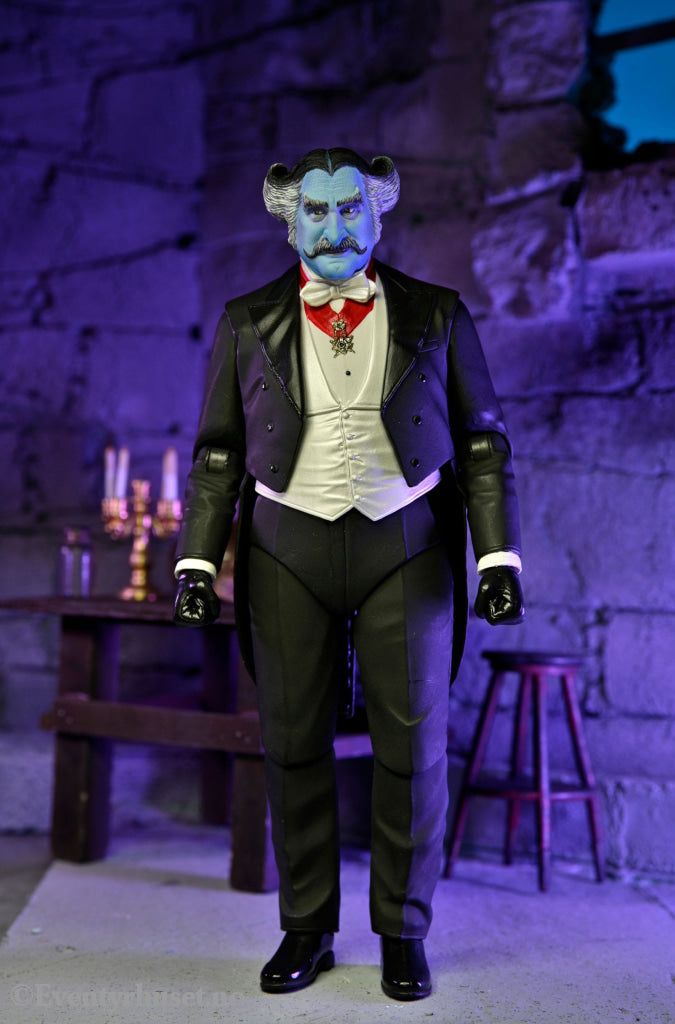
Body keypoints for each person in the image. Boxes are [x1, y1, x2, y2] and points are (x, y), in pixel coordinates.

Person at [173, 147, 524, 1001]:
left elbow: (481, 442)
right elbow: (217, 453)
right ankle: (306, 926)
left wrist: (496, 555)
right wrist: (196, 560)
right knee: (292, 741)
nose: (334, 229)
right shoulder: (245, 320)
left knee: (414, 744)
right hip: (283, 545)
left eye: (349, 208)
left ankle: (404, 930)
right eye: (316, 211)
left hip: (405, 541)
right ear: (289, 223)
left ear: (378, 213)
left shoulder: (437, 313)